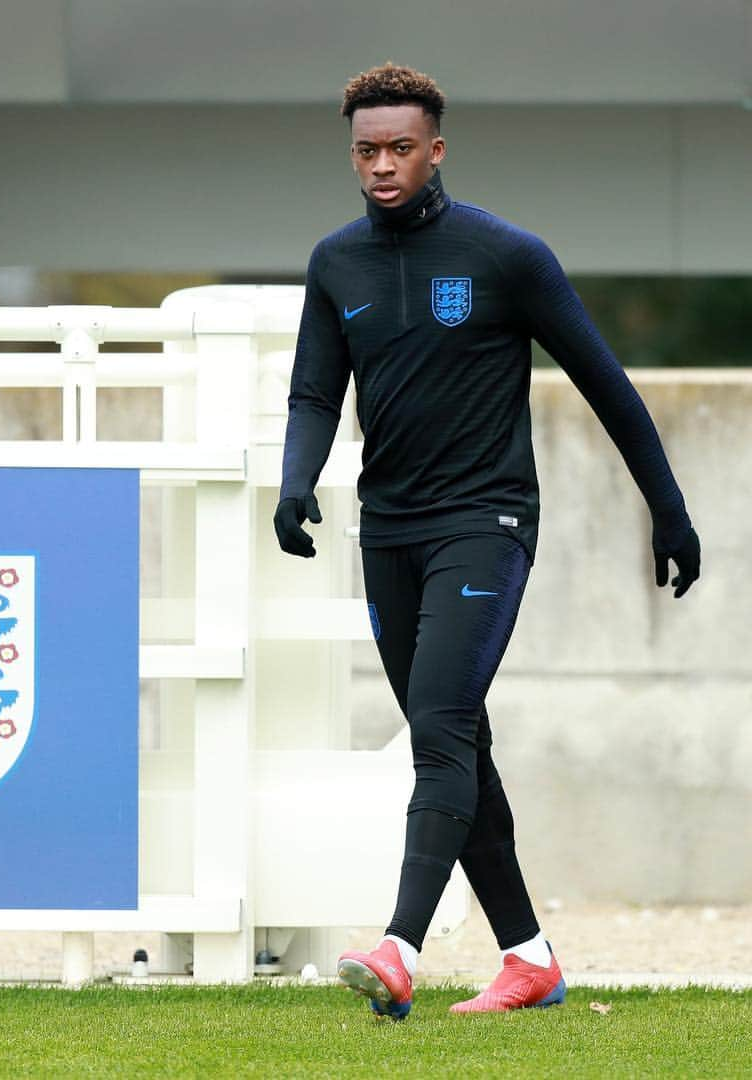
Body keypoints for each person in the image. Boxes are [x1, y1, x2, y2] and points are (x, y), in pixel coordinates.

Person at [274, 62, 700, 1018]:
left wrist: (667, 510)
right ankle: (529, 958)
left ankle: (400, 947)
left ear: (436, 150)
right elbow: (313, 392)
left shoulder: (507, 257)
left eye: (398, 149)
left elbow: (607, 386)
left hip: (487, 522)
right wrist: (298, 476)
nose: (381, 167)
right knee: (459, 737)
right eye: (365, 151)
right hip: (390, 532)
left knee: (435, 729)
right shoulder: (335, 263)